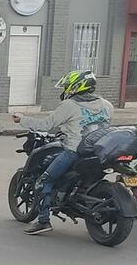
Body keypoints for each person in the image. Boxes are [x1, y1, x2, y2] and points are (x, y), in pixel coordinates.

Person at [13, 69, 113, 236]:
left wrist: (22, 119)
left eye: (67, 86)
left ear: (75, 86)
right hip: (99, 154)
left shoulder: (69, 105)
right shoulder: (107, 105)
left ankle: (43, 221)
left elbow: (47, 125)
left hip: (74, 152)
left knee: (45, 181)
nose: (65, 89)